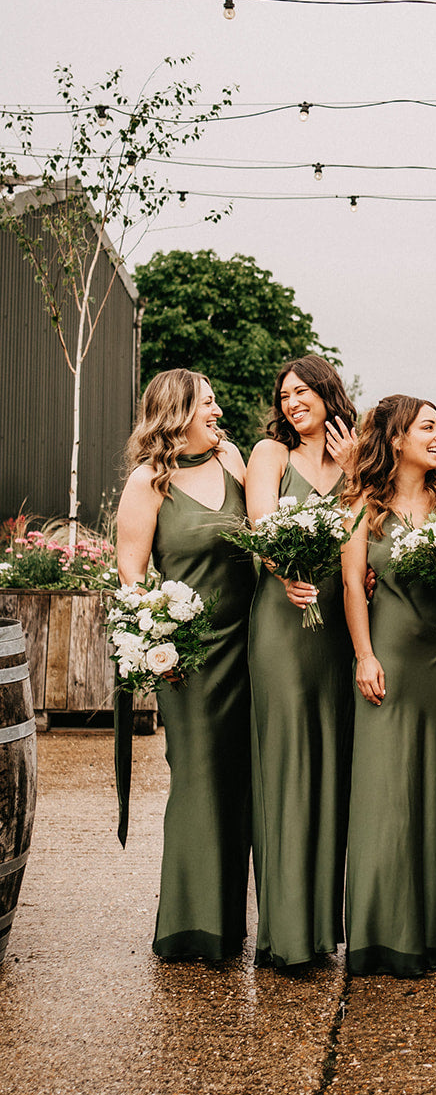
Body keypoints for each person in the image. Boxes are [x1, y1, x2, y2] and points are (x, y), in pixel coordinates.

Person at [116, 369, 257, 961]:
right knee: (199, 779)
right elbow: (132, 572)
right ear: (177, 411)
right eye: (208, 402)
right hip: (190, 657)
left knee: (241, 784)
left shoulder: (233, 463)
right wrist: (156, 642)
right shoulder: (148, 481)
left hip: (249, 646)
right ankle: (190, 926)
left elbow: (263, 534)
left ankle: (229, 924)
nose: (219, 410)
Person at [340, 395, 436, 978]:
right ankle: (379, 934)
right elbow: (350, 587)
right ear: (395, 438)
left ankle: (434, 930)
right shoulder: (363, 506)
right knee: (386, 794)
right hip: (389, 655)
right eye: (427, 426)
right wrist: (364, 655)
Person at [244, 354, 360, 970]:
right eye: (284, 395)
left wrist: (351, 472)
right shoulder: (269, 455)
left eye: (302, 391)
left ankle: (321, 928)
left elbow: (370, 525)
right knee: (287, 764)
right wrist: (283, 570)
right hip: (283, 623)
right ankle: (284, 931)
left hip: (338, 625)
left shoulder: (356, 454)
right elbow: (262, 527)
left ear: (327, 392)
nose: (292, 403)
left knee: (331, 765)